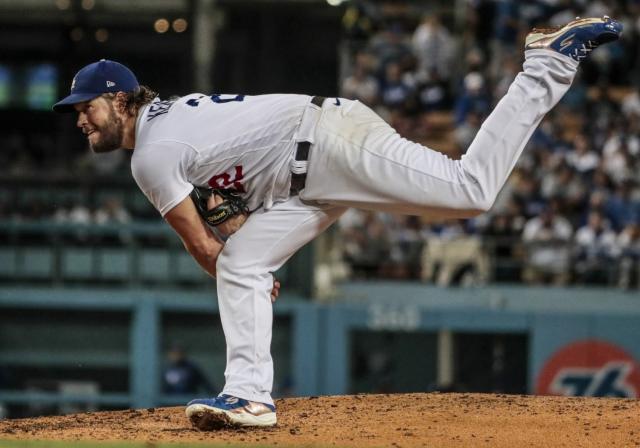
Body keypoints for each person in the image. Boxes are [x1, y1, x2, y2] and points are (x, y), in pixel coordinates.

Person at [53, 16, 622, 429]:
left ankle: (546, 64)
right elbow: (229, 220)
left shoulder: (150, 153)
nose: (80, 117)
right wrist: (247, 255)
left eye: (88, 106)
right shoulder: (167, 120)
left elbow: (203, 246)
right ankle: (249, 397)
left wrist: (236, 255)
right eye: (76, 110)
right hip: (308, 175)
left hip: (329, 147)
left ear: (121, 99)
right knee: (244, 264)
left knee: (470, 190)